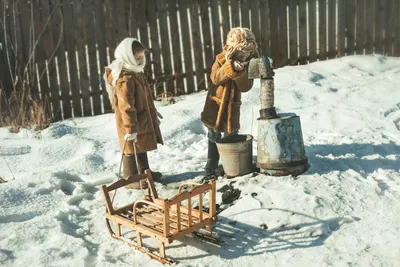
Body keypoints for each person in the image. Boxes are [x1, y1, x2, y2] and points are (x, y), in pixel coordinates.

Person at [104, 38, 163, 189]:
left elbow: (144, 97)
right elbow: (126, 106)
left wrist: (153, 111)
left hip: (140, 117)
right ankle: (131, 179)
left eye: (142, 57)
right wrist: (130, 128)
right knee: (130, 148)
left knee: (140, 146)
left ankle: (145, 173)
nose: (140, 60)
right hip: (129, 121)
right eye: (137, 58)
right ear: (127, 57)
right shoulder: (125, 78)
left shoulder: (135, 72)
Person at [200, 27, 258, 180]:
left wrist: (240, 73)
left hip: (232, 109)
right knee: (214, 136)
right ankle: (211, 166)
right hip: (215, 107)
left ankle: (229, 165)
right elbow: (216, 78)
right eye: (241, 51)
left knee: (231, 136)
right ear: (233, 49)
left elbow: (245, 87)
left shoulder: (247, 65)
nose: (245, 55)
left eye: (247, 52)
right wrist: (230, 67)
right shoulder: (221, 59)